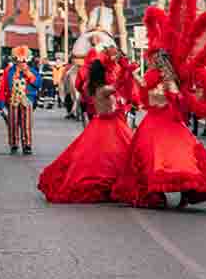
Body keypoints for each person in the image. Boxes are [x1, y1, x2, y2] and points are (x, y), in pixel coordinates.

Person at [111, 0, 206, 209]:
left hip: (164, 122)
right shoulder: (158, 80)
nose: (154, 63)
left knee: (163, 157)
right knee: (164, 157)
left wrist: (131, 70)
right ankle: (169, 194)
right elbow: (143, 85)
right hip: (163, 122)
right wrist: (126, 66)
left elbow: (173, 96)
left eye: (157, 62)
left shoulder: (169, 82)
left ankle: (176, 193)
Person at [38, 50, 138, 203]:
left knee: (100, 157)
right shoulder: (103, 89)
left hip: (101, 123)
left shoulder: (91, 87)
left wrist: (118, 64)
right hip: (109, 124)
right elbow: (120, 84)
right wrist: (126, 68)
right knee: (114, 156)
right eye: (106, 71)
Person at [0, 46, 41, 155]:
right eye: (19, 60)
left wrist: (27, 73)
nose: (21, 62)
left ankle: (27, 144)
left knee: (26, 123)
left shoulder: (33, 71)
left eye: (24, 60)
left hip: (27, 99)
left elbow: (37, 84)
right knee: (13, 123)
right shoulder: (9, 71)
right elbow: (3, 86)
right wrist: (1, 102)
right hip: (13, 99)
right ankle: (14, 144)